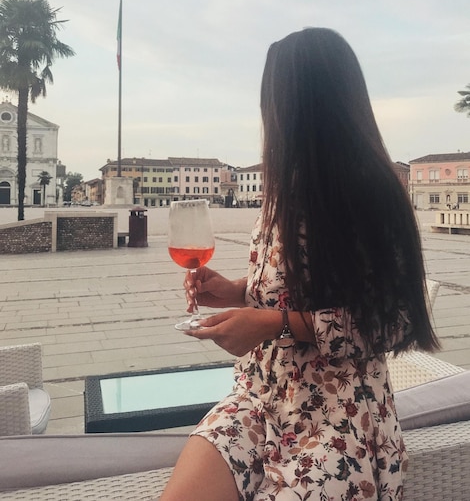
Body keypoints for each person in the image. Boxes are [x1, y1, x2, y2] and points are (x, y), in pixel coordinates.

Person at [160, 28, 439, 501]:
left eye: (273, 98)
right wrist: (235, 290)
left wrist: (272, 324)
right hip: (258, 401)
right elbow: (296, 283)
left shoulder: (370, 192)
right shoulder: (282, 190)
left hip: (339, 416)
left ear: (302, 103)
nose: (267, 114)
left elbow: (393, 322)